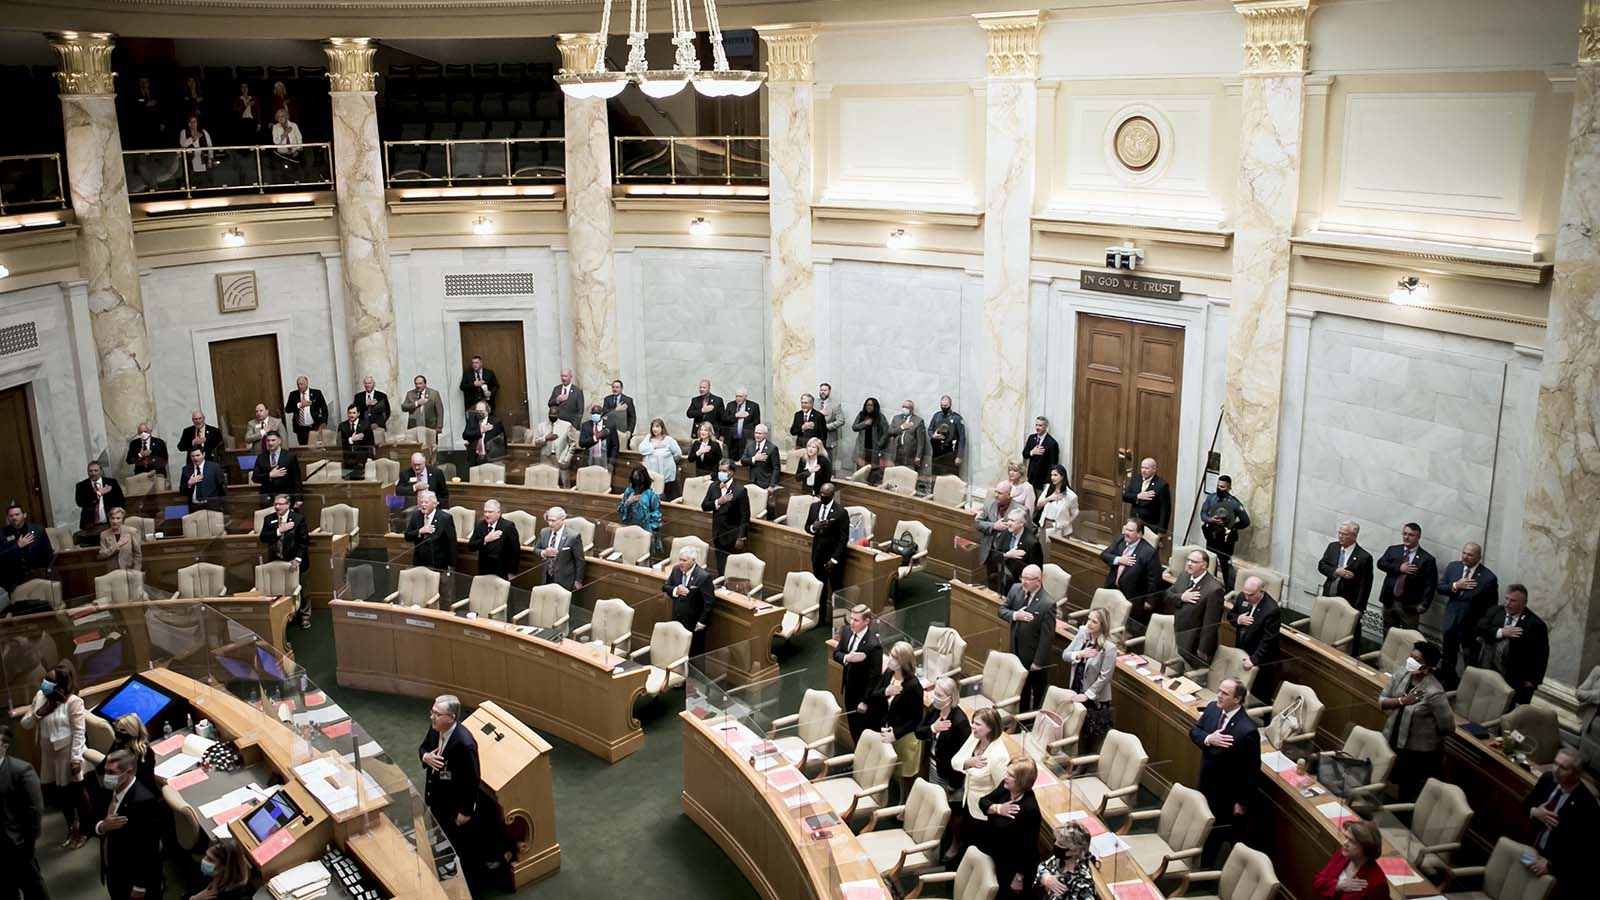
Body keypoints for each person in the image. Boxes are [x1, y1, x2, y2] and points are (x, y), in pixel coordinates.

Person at [420, 695, 484, 897]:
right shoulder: (436, 728)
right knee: (441, 844)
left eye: (437, 714)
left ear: (451, 717)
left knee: (463, 853)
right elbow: (423, 747)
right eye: (432, 712)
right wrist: (426, 757)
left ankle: (470, 892)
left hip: (455, 810)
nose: (432, 717)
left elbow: (472, 781)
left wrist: (465, 812)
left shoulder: (464, 744)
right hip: (436, 802)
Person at [1189, 677, 1260, 859]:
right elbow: (1195, 731)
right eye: (1219, 691)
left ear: (1237, 699)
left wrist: (1242, 802)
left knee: (1215, 833)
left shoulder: (1248, 730)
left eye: (1225, 693)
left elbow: (1250, 771)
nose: (1219, 695)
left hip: (1225, 793)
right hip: (1205, 780)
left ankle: (1206, 866)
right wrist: (1208, 739)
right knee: (1200, 822)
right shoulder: (1213, 708)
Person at [22, 662, 87, 851]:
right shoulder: (40, 697)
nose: (45, 683)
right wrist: (40, 712)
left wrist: (76, 759)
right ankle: (71, 827)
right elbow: (26, 723)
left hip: (67, 753)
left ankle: (83, 830)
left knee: (76, 794)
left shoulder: (73, 702)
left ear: (60, 684)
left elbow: (79, 732)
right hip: (49, 753)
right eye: (45, 679)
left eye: (50, 681)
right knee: (61, 794)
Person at [1378, 639, 1452, 801]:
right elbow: (1382, 702)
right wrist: (1402, 701)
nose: (1410, 661)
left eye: (1416, 659)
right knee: (1383, 777)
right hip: (1392, 738)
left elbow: (1448, 726)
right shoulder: (1401, 675)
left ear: (1427, 666)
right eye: (1411, 656)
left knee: (1407, 790)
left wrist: (1427, 735)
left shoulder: (1434, 691)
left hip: (1417, 752)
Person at [94, 749, 163, 900]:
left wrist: (140, 886)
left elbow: (149, 849)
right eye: (106, 771)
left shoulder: (144, 801)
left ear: (129, 772)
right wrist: (102, 826)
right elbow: (95, 819)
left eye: (111, 772)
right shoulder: (107, 791)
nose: (107, 777)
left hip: (133, 877)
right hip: (113, 868)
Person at [946, 707, 1008, 865]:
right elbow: (955, 761)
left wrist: (994, 808)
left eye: (977, 724)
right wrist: (968, 762)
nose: (972, 726)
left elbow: (1002, 789)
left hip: (984, 814)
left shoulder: (999, 755)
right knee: (968, 842)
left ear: (990, 727)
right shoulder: (975, 738)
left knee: (979, 850)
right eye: (973, 722)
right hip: (968, 801)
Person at [1522, 747, 1595, 880]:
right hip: (1530, 848)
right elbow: (1527, 803)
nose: (1555, 770)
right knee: (1518, 880)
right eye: (1555, 764)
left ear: (1577, 774)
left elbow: (1584, 848)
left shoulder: (1587, 804)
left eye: (1563, 768)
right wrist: (1535, 812)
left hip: (1551, 865)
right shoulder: (1547, 779)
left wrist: (1552, 866)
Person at [1473, 584, 1548, 706]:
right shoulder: (1495, 611)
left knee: (1506, 708)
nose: (1507, 604)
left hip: (1514, 678)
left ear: (1524, 603)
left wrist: (1532, 681)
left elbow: (1541, 655)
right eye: (1506, 598)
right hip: (1488, 670)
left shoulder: (1536, 625)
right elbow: (1480, 628)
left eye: (1513, 601)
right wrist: (1501, 632)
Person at [979, 757, 1042, 899]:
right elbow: (983, 802)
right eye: (1007, 773)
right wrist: (998, 808)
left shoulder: (1030, 810)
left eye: (1011, 775)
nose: (1006, 777)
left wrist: (1019, 876)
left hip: (1012, 867)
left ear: (1022, 781)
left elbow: (1028, 848)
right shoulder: (1006, 787)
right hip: (995, 856)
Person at [1436, 543, 1499, 688]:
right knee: (1447, 659)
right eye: (1464, 553)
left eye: (1470, 555)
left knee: (1470, 663)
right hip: (1451, 623)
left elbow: (1491, 609)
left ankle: (1467, 690)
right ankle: (1446, 686)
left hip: (1471, 629)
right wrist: (1455, 586)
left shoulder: (1488, 578)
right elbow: (1440, 587)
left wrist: (1482, 632)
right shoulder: (1454, 567)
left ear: (1479, 557)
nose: (1465, 557)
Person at [871, 642, 926, 800]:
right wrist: (886, 692)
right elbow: (875, 694)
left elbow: (916, 719)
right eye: (891, 654)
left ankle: (906, 803)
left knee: (905, 774)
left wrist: (896, 734)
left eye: (895, 657)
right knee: (891, 770)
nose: (891, 659)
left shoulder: (913, 686)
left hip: (905, 736)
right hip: (888, 730)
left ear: (904, 662)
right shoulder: (889, 673)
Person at [0, 723, 47, 900]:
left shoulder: (21, 770)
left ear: (4, 745)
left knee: (33, 888)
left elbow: (35, 809)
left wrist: (28, 842)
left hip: (17, 844)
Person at [999, 564, 1055, 712]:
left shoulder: (1047, 603)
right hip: (1016, 651)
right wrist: (1015, 615)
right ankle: (1022, 718)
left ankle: (1034, 719)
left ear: (1038, 581)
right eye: (1022, 577)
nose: (1024, 582)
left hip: (1033, 657)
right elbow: (1002, 610)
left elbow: (1047, 637)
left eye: (1028, 579)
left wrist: (1038, 662)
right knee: (1021, 689)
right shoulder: (1015, 589)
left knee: (1037, 692)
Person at [1062, 607, 1116, 750]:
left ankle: (1084, 760)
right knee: (1073, 729)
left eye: (1094, 621)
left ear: (1102, 625)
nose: (1089, 624)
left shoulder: (1109, 648)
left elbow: (1105, 677)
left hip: (1095, 699)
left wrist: (1087, 695)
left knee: (1089, 736)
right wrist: (1080, 654)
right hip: (1076, 689)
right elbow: (1065, 655)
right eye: (1089, 619)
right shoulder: (1082, 634)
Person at [1317, 521, 1374, 653]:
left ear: (1354, 536)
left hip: (1349, 602)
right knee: (1327, 627)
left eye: (1345, 534)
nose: (1340, 536)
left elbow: (1365, 586)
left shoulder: (1364, 557)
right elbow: (1322, 565)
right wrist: (1335, 571)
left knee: (1345, 633)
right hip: (1329, 596)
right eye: (1340, 533)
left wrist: (1359, 609)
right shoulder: (1333, 547)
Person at [1101, 519, 1164, 637]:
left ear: (1139, 534)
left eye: (1130, 530)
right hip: (1113, 590)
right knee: (1107, 623)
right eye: (1126, 529)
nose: (1126, 533)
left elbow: (1155, 579)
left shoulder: (1149, 552)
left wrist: (1150, 601)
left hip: (1133, 597)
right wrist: (1119, 559)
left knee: (1127, 631)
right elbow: (1104, 555)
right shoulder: (1121, 540)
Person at [1167, 549, 1225, 669]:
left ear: (1204, 565)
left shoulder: (1214, 589)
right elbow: (1168, 595)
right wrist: (1181, 597)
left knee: (1190, 674)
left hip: (1194, 643)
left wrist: (1203, 649)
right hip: (1177, 633)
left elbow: (1211, 624)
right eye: (1188, 560)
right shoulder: (1184, 576)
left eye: (1193, 561)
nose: (1189, 563)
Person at [833, 605, 883, 743]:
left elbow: (875, 676)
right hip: (849, 690)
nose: (852, 623)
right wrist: (847, 658)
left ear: (866, 621)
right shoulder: (846, 631)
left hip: (863, 696)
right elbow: (836, 654)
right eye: (851, 618)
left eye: (856, 620)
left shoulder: (874, 645)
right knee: (853, 728)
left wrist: (865, 701)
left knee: (863, 731)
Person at [917, 677, 970, 805]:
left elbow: (962, 755)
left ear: (950, 698)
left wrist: (954, 784)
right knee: (932, 799)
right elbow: (919, 732)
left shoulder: (960, 722)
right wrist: (933, 728)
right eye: (935, 693)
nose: (935, 698)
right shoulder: (935, 709)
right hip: (932, 765)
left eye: (939, 695)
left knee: (941, 804)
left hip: (948, 774)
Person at [1377, 523, 1438, 634]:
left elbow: (1430, 584)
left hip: (1410, 606)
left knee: (1408, 636)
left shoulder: (1427, 559)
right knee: (1388, 632)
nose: (1406, 537)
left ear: (1418, 537)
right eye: (1404, 534)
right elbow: (1381, 563)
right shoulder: (1393, 550)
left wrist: (1424, 604)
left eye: (1411, 535)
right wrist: (1399, 568)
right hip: (1389, 600)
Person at [259, 494, 310, 627]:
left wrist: (297, 559)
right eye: (275, 504)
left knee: (303, 589)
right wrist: (279, 531)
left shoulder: (298, 519)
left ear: (288, 505)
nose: (277, 507)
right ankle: (281, 615)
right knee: (279, 588)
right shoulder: (269, 519)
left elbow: (304, 541)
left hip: (295, 560)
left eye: (280, 504)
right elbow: (263, 537)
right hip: (276, 560)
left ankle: (305, 616)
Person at [805, 482, 850, 628]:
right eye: (821, 494)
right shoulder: (814, 507)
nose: (822, 496)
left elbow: (843, 539)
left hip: (833, 559)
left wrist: (834, 559)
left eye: (825, 495)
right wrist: (814, 527)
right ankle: (821, 619)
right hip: (818, 555)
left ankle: (839, 623)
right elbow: (807, 527)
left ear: (832, 495)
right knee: (821, 589)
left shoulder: (841, 512)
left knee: (837, 591)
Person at [1230, 575, 1281, 700]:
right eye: (1245, 593)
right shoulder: (1242, 597)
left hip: (1261, 659)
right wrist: (1238, 620)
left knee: (1258, 693)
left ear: (1261, 591)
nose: (1247, 597)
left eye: (1251, 595)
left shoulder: (1271, 609)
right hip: (1241, 651)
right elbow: (1231, 615)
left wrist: (1254, 659)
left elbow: (1268, 640)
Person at [1313, 819, 1388, 900]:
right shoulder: (1342, 855)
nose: (1345, 843)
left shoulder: (1378, 882)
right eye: (1346, 837)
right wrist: (1338, 885)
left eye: (1352, 841)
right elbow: (1317, 881)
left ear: (1366, 847)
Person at [662, 546, 715, 658]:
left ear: (693, 560)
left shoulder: (703, 577)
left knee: (693, 653)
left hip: (694, 623)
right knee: (676, 649)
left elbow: (709, 602)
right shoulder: (676, 570)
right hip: (677, 618)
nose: (681, 563)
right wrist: (676, 590)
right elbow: (665, 586)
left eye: (684, 560)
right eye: (680, 559)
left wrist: (702, 622)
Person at [1199, 475, 1251, 590]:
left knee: (1225, 565)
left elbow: (1246, 521)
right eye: (1218, 486)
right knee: (1210, 561)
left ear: (1229, 488)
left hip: (1226, 539)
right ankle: (1208, 586)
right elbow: (1203, 514)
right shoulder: (1211, 498)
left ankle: (1229, 589)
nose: (1219, 488)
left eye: (1222, 487)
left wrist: (1232, 526)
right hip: (1211, 536)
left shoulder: (1234, 503)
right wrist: (1210, 520)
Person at [702, 460, 750, 574]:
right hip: (717, 533)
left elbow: (745, 516)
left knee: (733, 569)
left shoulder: (740, 490)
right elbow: (704, 506)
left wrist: (741, 537)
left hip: (732, 535)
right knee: (721, 565)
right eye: (720, 470)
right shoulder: (714, 486)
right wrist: (718, 502)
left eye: (724, 471)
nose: (721, 473)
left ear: (731, 473)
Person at [976, 482, 1023, 590]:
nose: (996, 495)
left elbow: (1028, 530)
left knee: (1008, 583)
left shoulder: (1020, 510)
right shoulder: (989, 505)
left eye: (1000, 493)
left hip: (1009, 554)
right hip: (991, 551)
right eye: (996, 492)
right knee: (991, 580)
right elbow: (978, 523)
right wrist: (993, 526)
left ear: (1009, 494)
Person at [1036, 822, 1097, 900]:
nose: (1056, 844)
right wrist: (1045, 877)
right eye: (1056, 841)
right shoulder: (1059, 859)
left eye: (1061, 844)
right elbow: (1040, 867)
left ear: (1075, 851)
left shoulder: (1082, 882)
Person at [97, 714, 157, 792]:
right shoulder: (118, 744)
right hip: (115, 787)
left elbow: (143, 781)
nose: (118, 732)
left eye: (122, 730)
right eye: (117, 729)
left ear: (132, 731)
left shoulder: (145, 753)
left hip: (138, 793)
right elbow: (101, 768)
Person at [0, 506, 54, 592]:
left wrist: (45, 570)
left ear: (24, 515)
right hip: (14, 577)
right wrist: (17, 546)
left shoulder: (38, 530)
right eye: (11, 516)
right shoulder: (2, 534)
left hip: (38, 573)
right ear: (8, 518)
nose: (14, 518)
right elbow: (1, 555)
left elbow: (48, 553)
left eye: (17, 514)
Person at [617, 466, 663, 557]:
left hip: (645, 528)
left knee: (644, 553)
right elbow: (621, 509)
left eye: (638, 477)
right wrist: (628, 502)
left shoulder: (650, 494)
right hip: (629, 525)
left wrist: (650, 525)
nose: (636, 480)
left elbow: (656, 513)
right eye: (634, 477)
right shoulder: (628, 491)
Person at [468, 500, 520, 580]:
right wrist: (485, 540)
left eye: (490, 512)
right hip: (483, 570)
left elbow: (515, 551)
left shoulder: (508, 527)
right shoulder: (481, 525)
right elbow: (471, 546)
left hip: (501, 571)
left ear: (498, 512)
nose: (486, 515)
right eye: (485, 512)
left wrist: (512, 572)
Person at [535, 507, 584, 591]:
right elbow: (536, 549)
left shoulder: (573, 536)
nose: (550, 523)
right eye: (548, 520)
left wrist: (578, 580)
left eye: (553, 521)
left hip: (564, 579)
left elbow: (579, 560)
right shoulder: (544, 532)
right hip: (547, 576)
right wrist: (544, 552)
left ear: (562, 519)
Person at [405, 491, 456, 571]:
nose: (423, 505)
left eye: (426, 502)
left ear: (434, 504)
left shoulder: (445, 518)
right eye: (421, 502)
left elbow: (451, 543)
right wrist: (419, 531)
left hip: (438, 563)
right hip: (419, 562)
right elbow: (407, 536)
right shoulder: (416, 515)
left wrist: (451, 564)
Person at [636, 418, 684, 501]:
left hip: (666, 472)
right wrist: (654, 446)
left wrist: (671, 461)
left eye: (657, 426)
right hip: (652, 474)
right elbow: (641, 450)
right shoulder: (648, 438)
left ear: (662, 428)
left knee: (667, 496)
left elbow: (678, 453)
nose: (655, 429)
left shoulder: (669, 440)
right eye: (653, 427)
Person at [1122, 457, 1172, 534]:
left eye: (1146, 468)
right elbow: (1125, 496)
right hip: (1134, 523)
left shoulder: (1161, 485)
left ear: (1154, 469)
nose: (1143, 470)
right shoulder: (1136, 479)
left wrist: (1161, 530)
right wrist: (1137, 496)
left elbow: (1165, 509)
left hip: (1150, 525)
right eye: (1142, 468)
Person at [74, 462, 125, 536]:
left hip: (110, 523)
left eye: (96, 470)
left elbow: (121, 502)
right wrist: (98, 493)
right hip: (90, 525)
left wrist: (119, 518)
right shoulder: (81, 486)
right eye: (90, 471)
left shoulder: (112, 483)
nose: (93, 473)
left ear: (101, 471)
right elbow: (80, 502)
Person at [880, 399, 929, 474]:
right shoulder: (896, 418)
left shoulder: (918, 421)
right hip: (896, 451)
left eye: (907, 407)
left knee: (907, 474)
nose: (904, 409)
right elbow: (890, 432)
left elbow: (921, 442)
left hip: (910, 453)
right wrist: (901, 428)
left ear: (911, 409)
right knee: (895, 473)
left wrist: (918, 457)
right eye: (903, 407)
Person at [251, 432, 300, 507]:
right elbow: (255, 477)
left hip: (286, 496)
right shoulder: (261, 457)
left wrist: (299, 498)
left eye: (273, 440)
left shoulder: (290, 456)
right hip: (267, 497)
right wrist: (269, 475)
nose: (270, 443)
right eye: (268, 440)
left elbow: (296, 478)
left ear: (279, 441)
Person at [282, 376, 329, 447]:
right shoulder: (293, 394)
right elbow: (287, 409)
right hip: (300, 429)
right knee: (303, 448)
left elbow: (324, 409)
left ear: (307, 383)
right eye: (298, 384)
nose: (299, 386)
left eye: (301, 384)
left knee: (314, 448)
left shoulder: (316, 393)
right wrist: (299, 405)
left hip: (314, 427)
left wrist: (323, 423)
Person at [1036, 464, 1079, 541]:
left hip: (1060, 529)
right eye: (1051, 475)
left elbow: (1075, 512)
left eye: (1055, 475)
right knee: (1043, 547)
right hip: (1045, 525)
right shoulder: (1048, 488)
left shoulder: (1071, 495)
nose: (1052, 477)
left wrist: (1067, 523)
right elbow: (1039, 505)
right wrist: (1049, 498)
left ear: (1062, 476)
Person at [928, 395, 966, 478]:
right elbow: (930, 429)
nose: (944, 407)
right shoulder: (936, 416)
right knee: (936, 474)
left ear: (950, 404)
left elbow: (962, 438)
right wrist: (933, 436)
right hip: (937, 450)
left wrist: (960, 456)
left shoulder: (957, 418)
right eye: (942, 406)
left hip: (951, 451)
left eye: (946, 406)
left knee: (950, 475)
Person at [1022, 417, 1059, 497]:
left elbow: (1053, 465)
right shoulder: (1031, 438)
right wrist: (1032, 452)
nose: (1037, 427)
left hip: (1043, 480)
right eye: (1036, 425)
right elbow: (1024, 454)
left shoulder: (1052, 443)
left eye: (1040, 425)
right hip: (1031, 477)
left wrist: (1048, 481)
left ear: (1046, 427)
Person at [178, 114, 217, 188]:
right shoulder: (184, 132)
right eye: (190, 122)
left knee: (205, 183)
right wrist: (194, 138)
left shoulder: (203, 132)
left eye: (194, 122)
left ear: (197, 123)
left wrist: (210, 159)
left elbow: (210, 146)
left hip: (203, 162)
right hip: (190, 164)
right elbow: (183, 144)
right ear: (188, 124)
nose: (192, 124)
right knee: (192, 184)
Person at [740, 424, 783, 491]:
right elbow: (743, 461)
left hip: (765, 483)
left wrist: (772, 485)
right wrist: (754, 458)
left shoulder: (772, 448)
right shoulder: (749, 445)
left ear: (765, 434)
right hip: (752, 482)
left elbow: (776, 468)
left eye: (760, 433)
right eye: (756, 433)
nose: (757, 435)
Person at [464, 400, 506, 467]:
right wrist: (481, 430)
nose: (478, 413)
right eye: (477, 411)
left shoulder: (495, 422)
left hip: (491, 457)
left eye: (481, 411)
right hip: (474, 457)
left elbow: (502, 440)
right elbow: (465, 435)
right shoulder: (472, 421)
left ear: (487, 411)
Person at [337, 404, 375, 479]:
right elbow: (339, 442)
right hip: (347, 459)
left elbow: (370, 442)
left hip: (362, 459)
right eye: (350, 413)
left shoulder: (365, 425)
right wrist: (351, 439)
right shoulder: (342, 426)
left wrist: (370, 457)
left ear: (358, 413)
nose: (351, 415)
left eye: (354, 413)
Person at [722, 388, 761, 460]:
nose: (738, 398)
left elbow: (756, 423)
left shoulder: (754, 406)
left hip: (746, 439)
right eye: (737, 396)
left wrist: (756, 438)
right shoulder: (730, 405)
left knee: (745, 460)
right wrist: (736, 415)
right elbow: (725, 420)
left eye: (740, 396)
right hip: (732, 439)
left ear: (745, 397)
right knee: (732, 460)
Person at [852, 397, 886, 479]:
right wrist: (864, 424)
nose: (869, 407)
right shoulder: (861, 415)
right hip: (862, 449)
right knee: (860, 473)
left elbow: (886, 433)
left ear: (875, 407)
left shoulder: (880, 417)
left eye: (871, 405)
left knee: (872, 473)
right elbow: (854, 427)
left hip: (874, 451)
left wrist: (880, 444)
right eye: (867, 405)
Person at [268, 107, 303, 181]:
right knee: (284, 175)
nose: (280, 118)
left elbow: (299, 138)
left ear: (286, 116)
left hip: (294, 153)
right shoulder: (275, 127)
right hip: (282, 155)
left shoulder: (294, 125)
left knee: (295, 174)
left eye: (282, 116)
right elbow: (276, 142)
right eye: (278, 116)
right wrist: (284, 134)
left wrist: (298, 150)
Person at [1579, 665, 1600, 778]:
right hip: (1590, 727)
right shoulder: (1598, 671)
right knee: (1582, 770)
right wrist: (1597, 695)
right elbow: (1579, 693)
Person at [818, 382, 846, 456]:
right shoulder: (815, 402)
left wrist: (826, 427)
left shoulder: (835, 405)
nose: (823, 392)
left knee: (828, 459)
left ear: (829, 391)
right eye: (821, 390)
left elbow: (841, 420)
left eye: (825, 390)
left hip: (829, 439)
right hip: (815, 439)